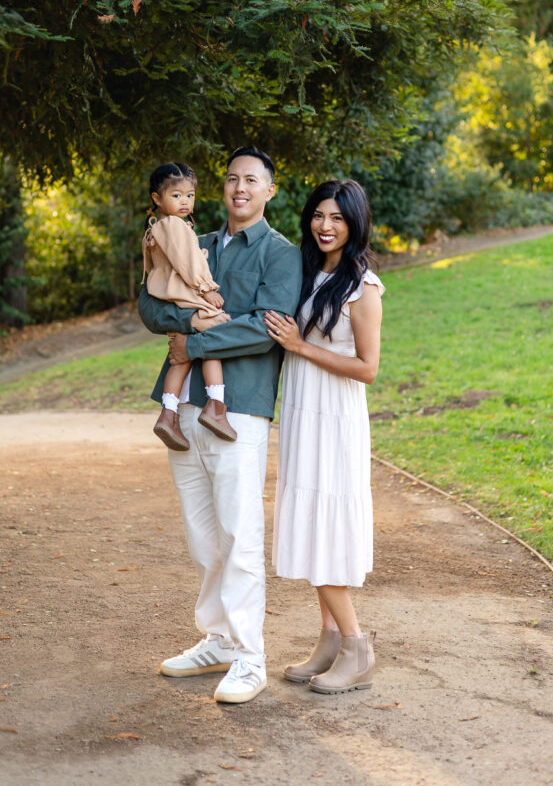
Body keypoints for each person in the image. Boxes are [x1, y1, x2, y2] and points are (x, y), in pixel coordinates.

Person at [138, 146, 302, 704]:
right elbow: (149, 304)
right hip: (182, 409)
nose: (239, 188)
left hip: (242, 409)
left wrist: (195, 339)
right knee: (203, 537)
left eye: (251, 180)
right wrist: (192, 320)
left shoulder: (282, 255)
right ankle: (219, 641)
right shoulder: (194, 240)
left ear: (269, 190)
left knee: (239, 535)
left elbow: (267, 328)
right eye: (232, 179)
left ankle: (251, 658)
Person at [264, 179, 384, 695]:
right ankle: (329, 642)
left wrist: (299, 345)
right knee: (313, 523)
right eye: (319, 215)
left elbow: (368, 368)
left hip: (335, 419)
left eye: (337, 217)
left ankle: (357, 648)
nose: (325, 225)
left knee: (328, 528)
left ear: (354, 223)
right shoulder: (308, 273)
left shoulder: (364, 286)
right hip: (302, 413)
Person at [142, 162, 236, 450]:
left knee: (181, 355)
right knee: (214, 337)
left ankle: (168, 413)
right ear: (157, 199)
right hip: (189, 294)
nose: (185, 202)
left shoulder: (155, 229)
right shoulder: (174, 226)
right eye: (176, 195)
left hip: (172, 296)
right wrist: (207, 289)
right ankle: (216, 406)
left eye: (190, 195)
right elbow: (188, 262)